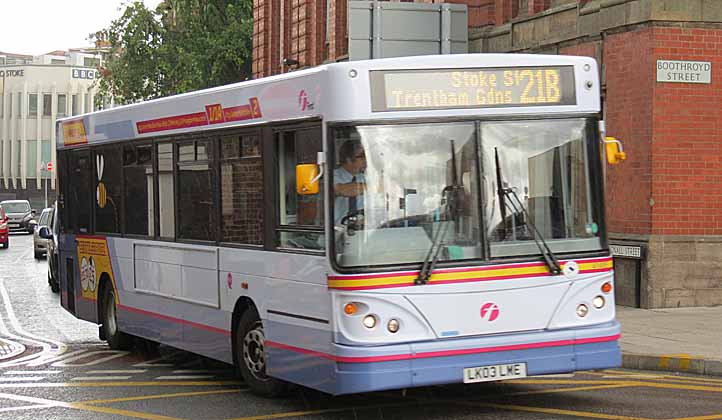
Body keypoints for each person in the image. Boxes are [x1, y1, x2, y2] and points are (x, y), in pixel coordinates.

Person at [334, 140, 366, 224]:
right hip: (338, 229)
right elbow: (341, 190)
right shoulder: (333, 175)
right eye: (362, 156)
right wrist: (375, 187)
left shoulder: (364, 177)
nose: (365, 159)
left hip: (362, 229)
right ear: (349, 160)